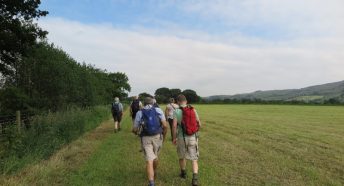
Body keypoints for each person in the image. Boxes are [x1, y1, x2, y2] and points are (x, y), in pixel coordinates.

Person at [132, 97, 168, 186]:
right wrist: (163, 135)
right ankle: (153, 173)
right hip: (157, 136)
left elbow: (135, 128)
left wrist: (135, 132)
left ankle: (151, 183)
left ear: (143, 103)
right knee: (155, 157)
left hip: (145, 138)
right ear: (153, 103)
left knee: (149, 160)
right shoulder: (158, 110)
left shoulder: (139, 113)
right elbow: (165, 125)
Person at [172, 94, 201, 186]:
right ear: (186, 101)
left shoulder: (176, 111)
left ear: (178, 102)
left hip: (181, 137)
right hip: (193, 137)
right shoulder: (193, 109)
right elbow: (199, 123)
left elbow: (174, 126)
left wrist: (174, 137)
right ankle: (195, 179)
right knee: (194, 158)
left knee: (182, 156)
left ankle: (183, 174)